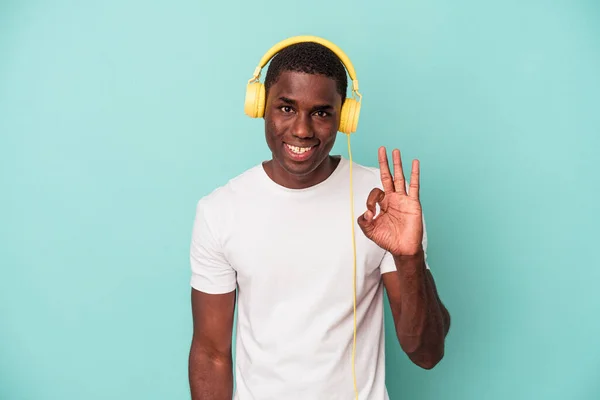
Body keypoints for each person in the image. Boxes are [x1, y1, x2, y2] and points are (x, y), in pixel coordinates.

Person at [187, 37, 450, 400]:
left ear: (345, 117)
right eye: (286, 108)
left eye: (322, 112)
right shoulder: (220, 211)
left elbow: (426, 353)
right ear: (260, 106)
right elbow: (211, 353)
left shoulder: (384, 203)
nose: (302, 130)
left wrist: (410, 258)